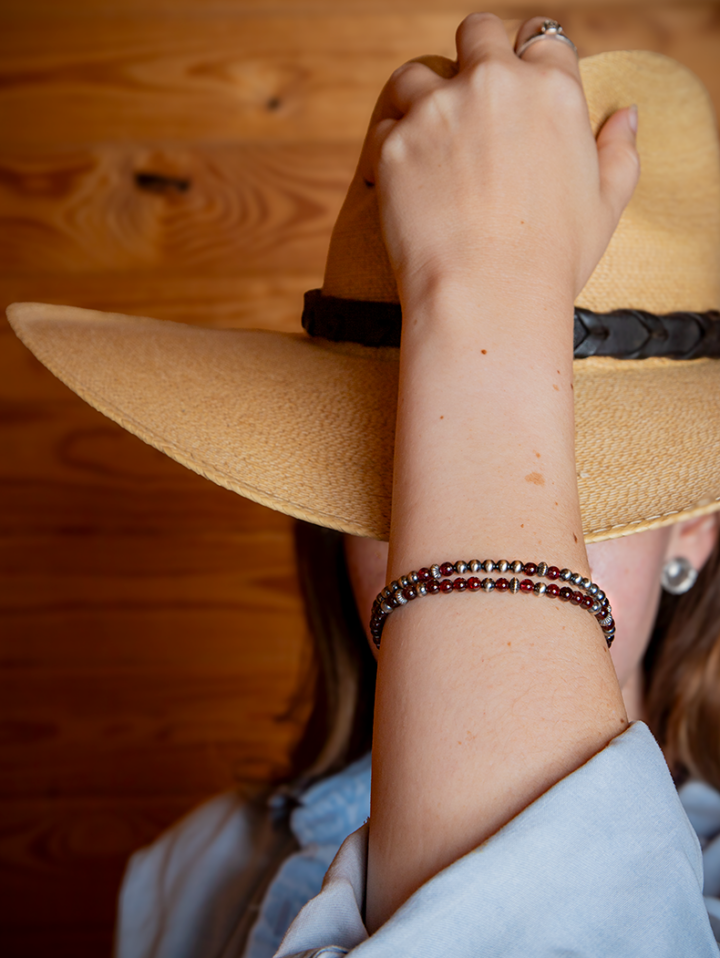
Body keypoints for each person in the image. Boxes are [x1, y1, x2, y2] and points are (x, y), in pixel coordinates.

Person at [7, 12, 720, 957]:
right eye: (396, 469)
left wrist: (486, 288)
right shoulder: (187, 876)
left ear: (694, 533)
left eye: (562, 480)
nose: (447, 513)